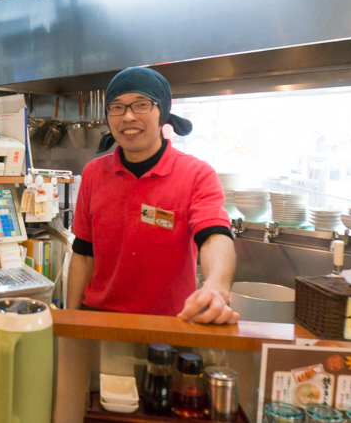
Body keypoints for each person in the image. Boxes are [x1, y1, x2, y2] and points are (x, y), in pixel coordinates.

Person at [66, 66, 239, 324]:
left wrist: (216, 286)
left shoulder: (196, 174)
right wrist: (69, 321)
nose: (128, 116)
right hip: (100, 321)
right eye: (117, 107)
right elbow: (83, 253)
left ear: (163, 113)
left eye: (141, 105)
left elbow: (213, 235)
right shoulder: (93, 173)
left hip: (171, 324)